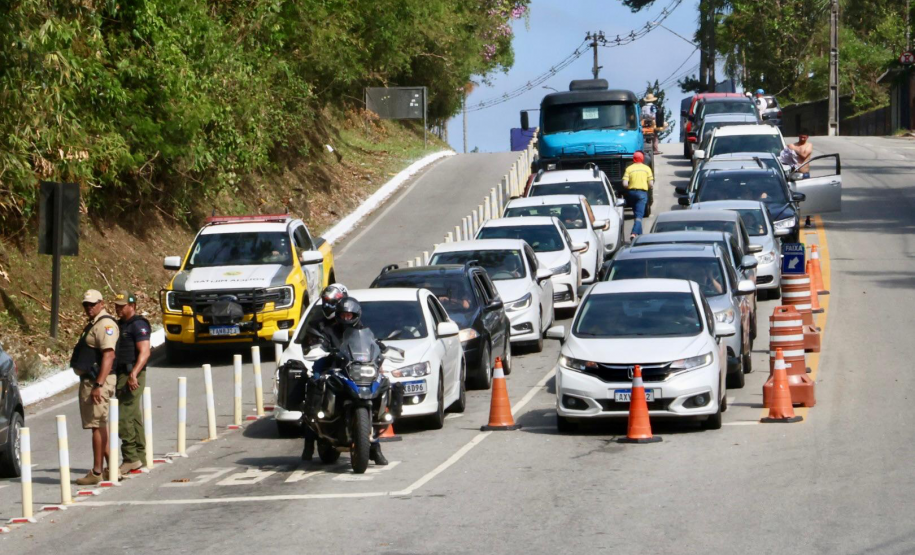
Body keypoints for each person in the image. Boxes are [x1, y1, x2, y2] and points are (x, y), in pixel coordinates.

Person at [70, 290, 119, 485]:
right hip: (91, 380)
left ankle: (97, 471)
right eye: (86, 304)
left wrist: (98, 384)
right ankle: (112, 469)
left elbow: (109, 356)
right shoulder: (95, 323)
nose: (88, 307)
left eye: (92, 304)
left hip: (97, 381)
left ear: (101, 303)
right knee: (98, 425)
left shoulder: (105, 324)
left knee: (97, 426)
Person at [334, 298, 389, 466]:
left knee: (386, 385)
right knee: (318, 382)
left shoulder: (363, 331)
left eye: (349, 315)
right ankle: (312, 437)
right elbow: (321, 342)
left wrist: (379, 349)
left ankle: (375, 448)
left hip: (358, 371)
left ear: (356, 315)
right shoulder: (332, 330)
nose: (345, 318)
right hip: (338, 369)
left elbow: (371, 345)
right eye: (342, 315)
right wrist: (324, 348)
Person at [301, 283, 349, 461]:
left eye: (334, 302)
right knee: (315, 388)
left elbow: (365, 338)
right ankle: (308, 444)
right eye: (327, 302)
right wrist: (318, 349)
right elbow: (309, 343)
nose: (330, 306)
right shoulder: (317, 323)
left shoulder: (351, 320)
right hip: (325, 365)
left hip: (348, 366)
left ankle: (374, 446)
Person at [113, 291, 151, 474]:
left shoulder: (138, 325)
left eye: (122, 305)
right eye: (117, 305)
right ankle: (140, 456)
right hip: (122, 374)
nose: (118, 308)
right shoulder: (119, 325)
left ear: (132, 306)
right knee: (133, 415)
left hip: (132, 374)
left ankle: (129, 458)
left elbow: (145, 352)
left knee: (124, 416)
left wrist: (134, 374)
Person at [622, 151, 654, 242]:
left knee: (636, 214)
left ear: (633, 159)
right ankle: (634, 233)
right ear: (642, 159)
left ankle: (640, 237)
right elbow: (651, 184)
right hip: (642, 193)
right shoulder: (646, 168)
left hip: (631, 193)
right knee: (640, 215)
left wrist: (629, 187)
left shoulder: (629, 169)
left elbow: (624, 183)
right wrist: (647, 187)